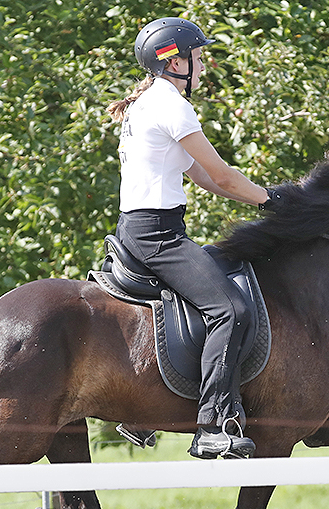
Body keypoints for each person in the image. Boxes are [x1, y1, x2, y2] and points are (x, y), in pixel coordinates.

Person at [106, 17, 282, 460]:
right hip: (157, 235)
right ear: (174, 62)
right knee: (231, 309)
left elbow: (207, 178)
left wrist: (268, 194)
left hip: (144, 227)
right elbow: (221, 174)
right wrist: (269, 202)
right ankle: (214, 424)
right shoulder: (171, 106)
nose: (202, 66)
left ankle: (146, 405)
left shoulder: (149, 104)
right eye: (198, 58)